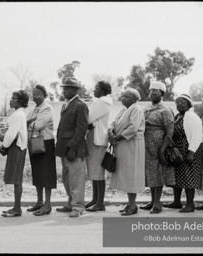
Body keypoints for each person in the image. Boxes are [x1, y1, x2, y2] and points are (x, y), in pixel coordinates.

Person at [55, 77, 89, 218]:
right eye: (64, 88)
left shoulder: (81, 105)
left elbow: (81, 129)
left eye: (68, 88)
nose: (65, 91)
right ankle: (70, 202)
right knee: (67, 178)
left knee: (76, 179)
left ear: (75, 90)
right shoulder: (66, 105)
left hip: (74, 149)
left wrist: (73, 147)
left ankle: (78, 206)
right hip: (64, 149)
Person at [163, 94, 203, 213]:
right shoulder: (177, 116)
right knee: (178, 176)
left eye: (183, 102)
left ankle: (190, 204)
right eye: (177, 102)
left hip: (189, 149)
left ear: (189, 104)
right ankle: (176, 202)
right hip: (178, 150)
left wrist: (191, 152)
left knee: (189, 176)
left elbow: (197, 136)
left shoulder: (192, 117)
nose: (179, 104)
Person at [108, 88, 145, 216]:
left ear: (135, 99)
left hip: (132, 146)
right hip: (123, 146)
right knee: (126, 175)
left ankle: (133, 205)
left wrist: (117, 138)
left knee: (132, 175)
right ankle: (129, 203)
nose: (123, 98)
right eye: (123, 96)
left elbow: (133, 128)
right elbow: (114, 123)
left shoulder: (136, 109)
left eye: (127, 96)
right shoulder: (124, 110)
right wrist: (111, 131)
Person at [141, 81, 175, 214]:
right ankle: (152, 200)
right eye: (151, 91)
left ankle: (157, 203)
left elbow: (170, 131)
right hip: (146, 144)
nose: (153, 93)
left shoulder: (165, 110)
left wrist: (163, 149)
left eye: (157, 91)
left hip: (159, 144)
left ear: (162, 94)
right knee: (150, 173)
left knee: (158, 172)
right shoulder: (147, 108)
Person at [26, 85, 57, 216]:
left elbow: (38, 125)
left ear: (44, 95)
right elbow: (28, 122)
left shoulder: (47, 107)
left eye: (39, 93)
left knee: (46, 173)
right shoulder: (34, 109)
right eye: (34, 94)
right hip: (34, 142)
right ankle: (39, 201)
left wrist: (27, 121)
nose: (36, 96)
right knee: (37, 172)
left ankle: (48, 204)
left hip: (46, 143)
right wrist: (29, 121)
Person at [0, 90, 29, 217]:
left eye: (14, 98)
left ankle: (17, 209)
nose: (11, 100)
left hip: (17, 147)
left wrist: (4, 146)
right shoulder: (18, 113)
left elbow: (12, 133)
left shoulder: (19, 115)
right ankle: (16, 207)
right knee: (16, 179)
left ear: (20, 101)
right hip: (16, 147)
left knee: (17, 179)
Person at [85, 81, 113, 212]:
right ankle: (95, 199)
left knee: (98, 173)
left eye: (96, 88)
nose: (93, 90)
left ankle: (100, 202)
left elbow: (89, 118)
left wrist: (92, 123)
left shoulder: (103, 101)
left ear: (103, 90)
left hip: (98, 140)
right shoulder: (100, 101)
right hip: (92, 139)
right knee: (93, 171)